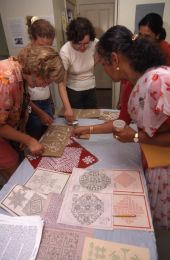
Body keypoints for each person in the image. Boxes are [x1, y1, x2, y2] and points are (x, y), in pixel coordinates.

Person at [74, 25, 170, 229]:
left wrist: (135, 137)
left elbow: (134, 132)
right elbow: (121, 122)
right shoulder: (130, 84)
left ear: (115, 60)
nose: (103, 71)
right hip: (152, 160)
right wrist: (88, 129)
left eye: (103, 65)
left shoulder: (160, 81)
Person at [0, 45, 65, 182]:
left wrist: (40, 113)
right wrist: (29, 139)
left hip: (8, 126)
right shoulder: (6, 80)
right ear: (36, 70)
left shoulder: (21, 73)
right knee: (14, 171)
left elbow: (21, 99)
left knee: (17, 158)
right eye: (46, 81)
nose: (45, 86)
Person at [118, 12, 170, 124]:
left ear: (157, 35)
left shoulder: (166, 50)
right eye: (140, 35)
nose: (142, 39)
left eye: (147, 36)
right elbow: (126, 80)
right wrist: (121, 101)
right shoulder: (135, 47)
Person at [25, 16, 73, 139]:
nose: (45, 49)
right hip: (32, 105)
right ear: (32, 39)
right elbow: (23, 98)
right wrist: (39, 112)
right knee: (36, 135)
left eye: (49, 46)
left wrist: (50, 101)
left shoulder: (46, 56)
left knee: (49, 135)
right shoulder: (25, 59)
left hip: (45, 101)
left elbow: (49, 82)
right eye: (42, 45)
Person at [60, 17, 98, 109]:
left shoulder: (95, 43)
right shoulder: (65, 51)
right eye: (78, 44)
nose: (82, 47)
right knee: (78, 119)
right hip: (73, 90)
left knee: (92, 117)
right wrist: (67, 107)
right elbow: (61, 83)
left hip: (91, 87)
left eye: (86, 43)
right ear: (71, 40)